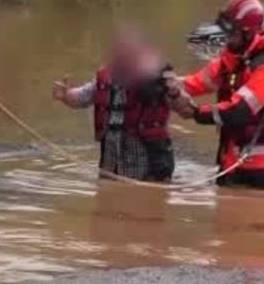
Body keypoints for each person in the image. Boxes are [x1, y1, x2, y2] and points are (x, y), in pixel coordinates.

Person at [170, 0, 264, 190]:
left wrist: (196, 113)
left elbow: (238, 110)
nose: (227, 39)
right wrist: (166, 84)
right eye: (226, 32)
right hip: (235, 156)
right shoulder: (232, 60)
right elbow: (196, 82)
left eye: (232, 34)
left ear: (248, 34)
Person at [52, 25, 177, 182]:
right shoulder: (106, 75)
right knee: (108, 200)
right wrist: (66, 95)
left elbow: (183, 104)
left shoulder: (158, 77)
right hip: (111, 158)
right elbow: (83, 97)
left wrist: (174, 92)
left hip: (147, 158)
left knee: (148, 199)